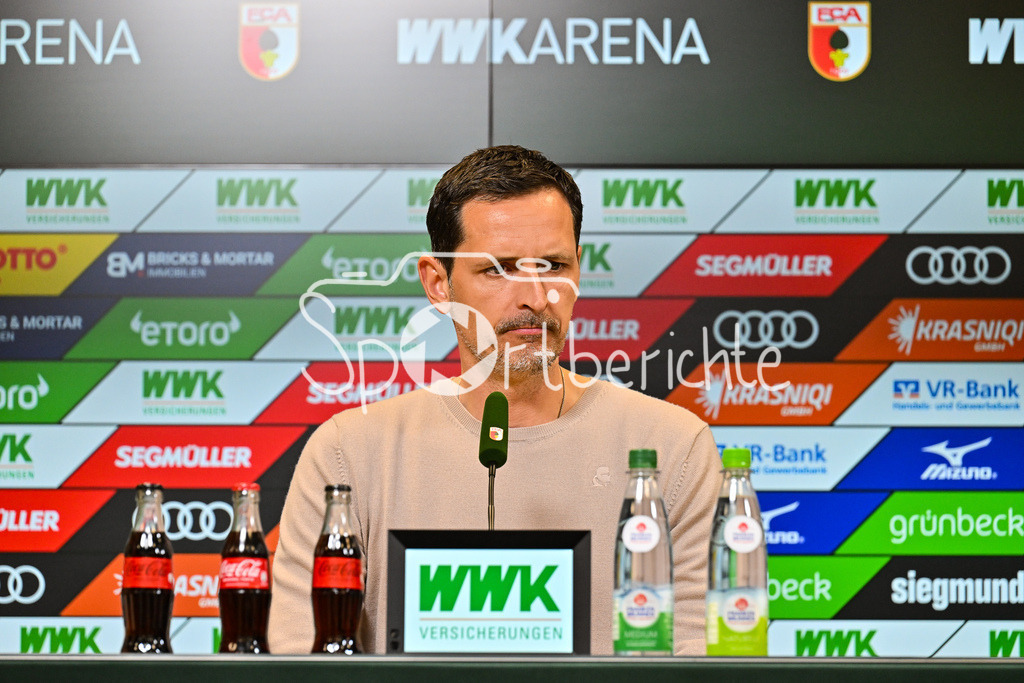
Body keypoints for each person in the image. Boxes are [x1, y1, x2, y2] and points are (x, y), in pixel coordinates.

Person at [267, 145, 720, 655]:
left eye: (553, 265)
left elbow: (703, 666)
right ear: (438, 284)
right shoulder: (348, 453)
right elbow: (300, 665)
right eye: (498, 270)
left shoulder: (673, 448)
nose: (535, 297)